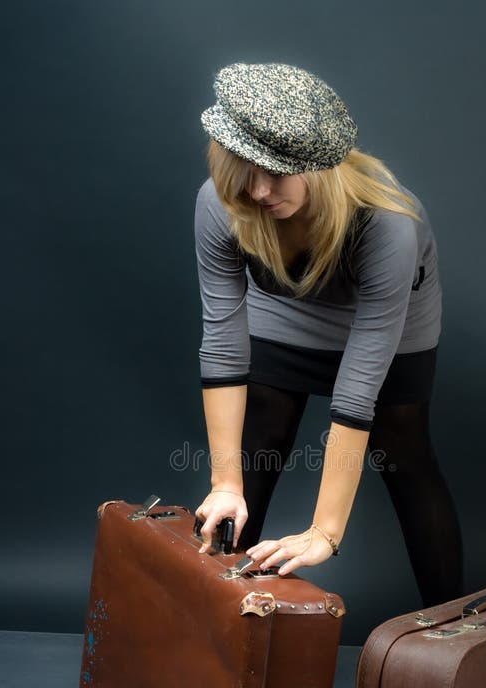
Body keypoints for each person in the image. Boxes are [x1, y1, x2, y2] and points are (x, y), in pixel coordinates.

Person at [193, 62, 463, 605]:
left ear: (317, 165)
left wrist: (325, 531)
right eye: (245, 171)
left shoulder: (390, 225)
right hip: (287, 306)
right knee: (258, 440)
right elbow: (223, 342)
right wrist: (225, 485)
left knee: (402, 455)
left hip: (391, 320)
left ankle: (450, 629)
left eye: (278, 172)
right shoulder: (222, 205)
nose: (261, 191)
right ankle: (216, 619)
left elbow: (357, 388)